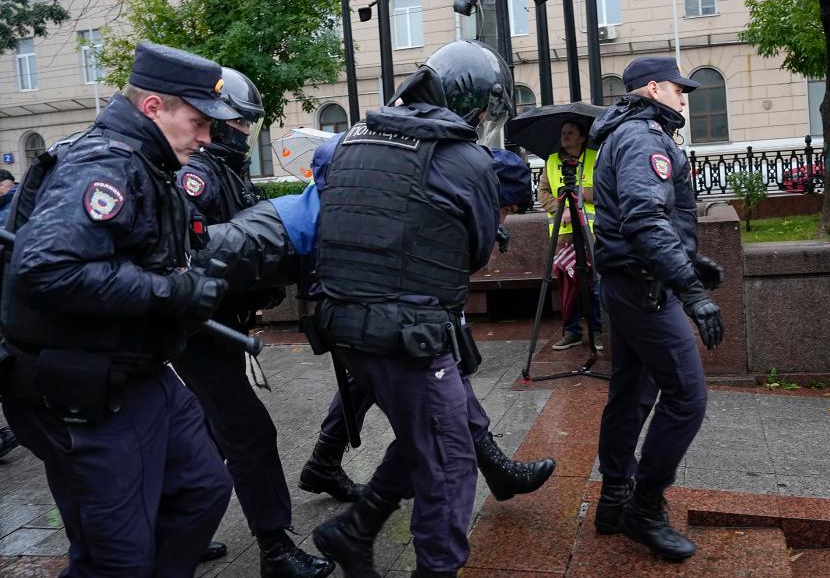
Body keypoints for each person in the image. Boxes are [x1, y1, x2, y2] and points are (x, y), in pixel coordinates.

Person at [0, 42, 238, 577]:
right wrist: (171, 293)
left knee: (202, 489)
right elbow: (46, 269)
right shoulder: (103, 163)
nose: (205, 138)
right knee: (116, 558)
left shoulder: (145, 160)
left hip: (138, 372)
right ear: (153, 107)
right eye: (198, 121)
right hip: (85, 389)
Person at [308, 40, 514, 578]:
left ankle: (355, 530)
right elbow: (474, 252)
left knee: (431, 431)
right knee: (448, 461)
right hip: (409, 337)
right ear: (471, 100)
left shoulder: (351, 138)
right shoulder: (466, 160)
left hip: (344, 328)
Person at [298, 147, 556, 507]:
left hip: (366, 308)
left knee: (370, 383)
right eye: (505, 208)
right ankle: (492, 468)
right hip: (364, 304)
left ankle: (325, 465)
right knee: (438, 393)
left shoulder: (441, 190)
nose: (503, 218)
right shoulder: (428, 196)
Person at [173, 67, 333, 578]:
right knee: (249, 435)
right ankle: (274, 548)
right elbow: (191, 253)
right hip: (200, 330)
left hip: (220, 325)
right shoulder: (194, 176)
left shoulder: (227, 171)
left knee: (205, 434)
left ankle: (178, 534)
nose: (246, 133)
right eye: (241, 124)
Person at [588, 56, 725, 561]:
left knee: (630, 394)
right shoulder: (644, 137)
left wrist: (689, 259)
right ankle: (644, 509)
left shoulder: (627, 132)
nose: (685, 96)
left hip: (630, 282)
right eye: (677, 88)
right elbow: (644, 219)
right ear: (652, 89)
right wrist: (690, 290)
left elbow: (647, 218)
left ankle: (613, 500)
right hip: (644, 288)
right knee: (686, 396)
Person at [538, 121, 603, 351]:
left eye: (570, 133)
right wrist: (559, 208)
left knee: (596, 283)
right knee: (567, 284)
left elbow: (609, 189)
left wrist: (584, 194)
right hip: (564, 235)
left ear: (582, 137)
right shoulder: (552, 160)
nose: (564, 136)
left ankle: (599, 330)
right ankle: (572, 332)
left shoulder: (597, 158)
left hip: (593, 234)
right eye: (563, 132)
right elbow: (543, 193)